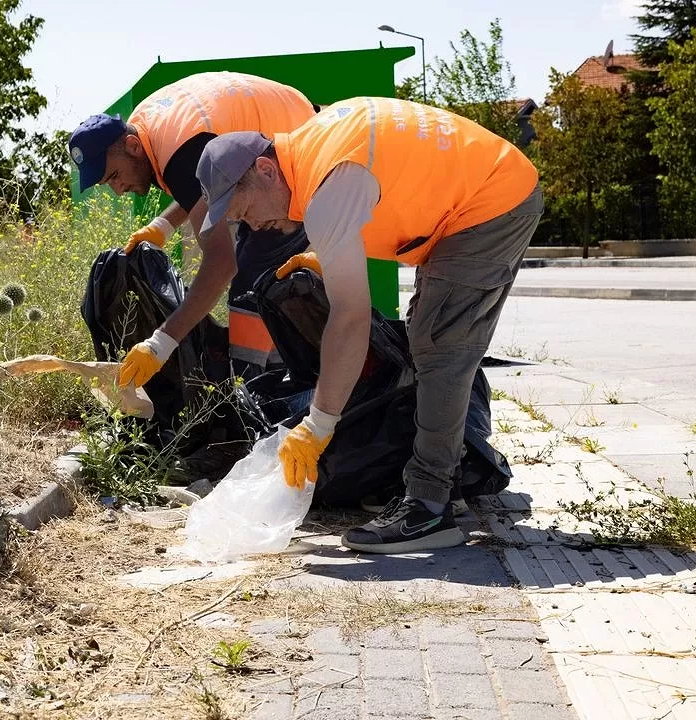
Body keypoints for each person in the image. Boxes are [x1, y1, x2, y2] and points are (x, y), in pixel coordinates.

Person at [193, 97, 543, 554]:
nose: (253, 225)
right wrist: (328, 252)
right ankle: (442, 470)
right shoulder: (310, 149)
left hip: (492, 201)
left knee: (440, 345)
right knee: (427, 337)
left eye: (243, 211)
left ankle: (429, 505)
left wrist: (317, 426)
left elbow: (351, 319)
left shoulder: (326, 187)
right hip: (480, 189)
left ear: (264, 170)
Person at [67, 72, 317, 382]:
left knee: (253, 284)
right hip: (286, 131)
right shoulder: (147, 128)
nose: (118, 189)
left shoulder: (179, 149)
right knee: (264, 287)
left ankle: (253, 390)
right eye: (109, 184)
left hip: (301, 149)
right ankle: (284, 378)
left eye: (115, 175)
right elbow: (199, 189)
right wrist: (163, 225)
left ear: (132, 146)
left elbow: (222, 264)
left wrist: (161, 343)